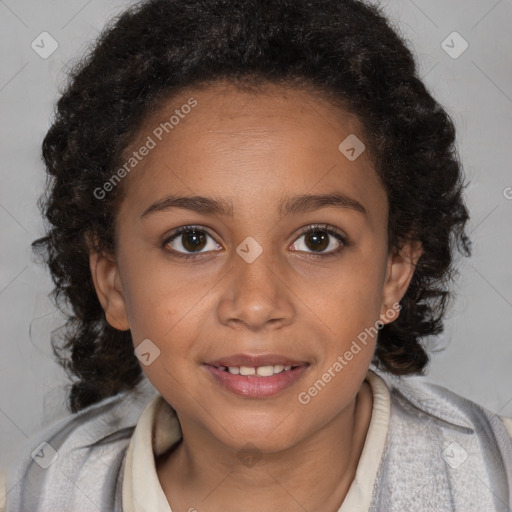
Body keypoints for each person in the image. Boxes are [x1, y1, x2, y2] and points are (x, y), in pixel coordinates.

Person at [2, 0, 512, 510]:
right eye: (193, 240)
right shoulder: (28, 494)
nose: (255, 304)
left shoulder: (495, 480)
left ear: (394, 273)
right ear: (112, 281)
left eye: (317, 239)